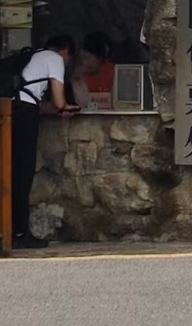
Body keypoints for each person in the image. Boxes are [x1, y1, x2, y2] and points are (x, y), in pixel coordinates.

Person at [12, 34, 77, 249]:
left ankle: (6, 227)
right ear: (65, 52)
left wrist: (57, 108)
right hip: (25, 115)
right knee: (23, 172)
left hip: (11, 111)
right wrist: (65, 106)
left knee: (10, 171)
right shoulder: (55, 59)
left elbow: (38, 102)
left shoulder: (34, 57)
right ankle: (20, 232)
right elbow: (58, 101)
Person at [71, 32, 116, 110]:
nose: (84, 62)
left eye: (88, 58)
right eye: (81, 59)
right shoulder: (78, 75)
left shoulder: (114, 73)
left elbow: (117, 103)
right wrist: (79, 82)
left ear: (100, 58)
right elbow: (82, 105)